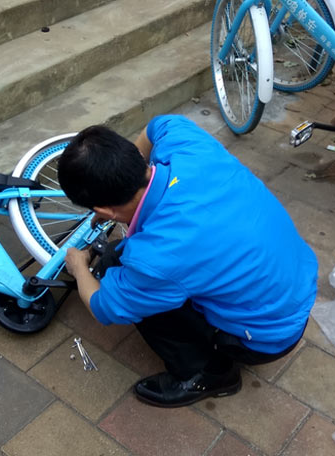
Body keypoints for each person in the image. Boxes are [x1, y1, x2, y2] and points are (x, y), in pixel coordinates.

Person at [59, 115, 318, 408]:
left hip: (267, 337)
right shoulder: (187, 145)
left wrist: (79, 267)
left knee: (120, 276)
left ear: (104, 211)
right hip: (296, 289)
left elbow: (103, 307)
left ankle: (210, 375)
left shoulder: (155, 258)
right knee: (142, 268)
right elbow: (157, 125)